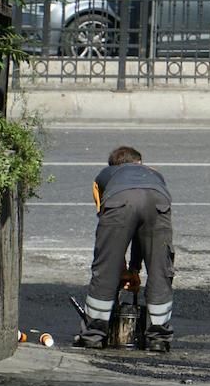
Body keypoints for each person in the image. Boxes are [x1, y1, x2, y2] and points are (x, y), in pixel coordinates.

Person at [75, 146, 176, 351]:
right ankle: (158, 338)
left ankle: (94, 335)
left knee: (105, 269)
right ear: (140, 162)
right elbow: (142, 235)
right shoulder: (155, 174)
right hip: (158, 200)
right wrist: (135, 268)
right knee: (160, 269)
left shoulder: (104, 176)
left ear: (114, 165)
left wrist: (121, 269)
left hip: (119, 201)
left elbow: (110, 239)